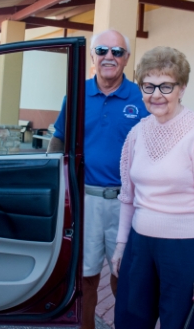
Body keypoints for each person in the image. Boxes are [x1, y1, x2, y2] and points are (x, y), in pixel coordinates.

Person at [111, 46, 194, 329]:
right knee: (129, 322)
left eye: (166, 86)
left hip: (184, 251)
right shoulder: (137, 132)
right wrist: (121, 245)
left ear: (182, 88)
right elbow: (128, 197)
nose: (156, 94)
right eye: (149, 85)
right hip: (139, 246)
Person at [48, 29, 148, 329]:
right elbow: (58, 143)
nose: (109, 57)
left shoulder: (141, 99)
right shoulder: (76, 96)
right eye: (102, 50)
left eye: (117, 52)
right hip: (86, 202)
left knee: (125, 281)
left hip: (127, 205)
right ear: (93, 57)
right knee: (86, 280)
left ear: (126, 59)